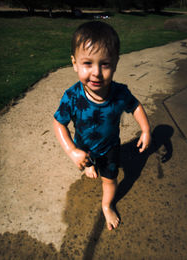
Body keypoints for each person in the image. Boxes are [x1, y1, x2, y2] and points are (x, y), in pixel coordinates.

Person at [53, 21, 151, 231]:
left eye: (105, 64)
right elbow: (59, 122)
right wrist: (72, 151)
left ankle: (107, 205)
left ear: (115, 63)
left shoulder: (119, 93)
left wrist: (145, 129)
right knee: (87, 162)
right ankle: (89, 165)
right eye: (88, 63)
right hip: (84, 147)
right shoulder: (72, 97)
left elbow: (134, 106)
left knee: (110, 179)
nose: (96, 72)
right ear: (74, 63)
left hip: (110, 149)